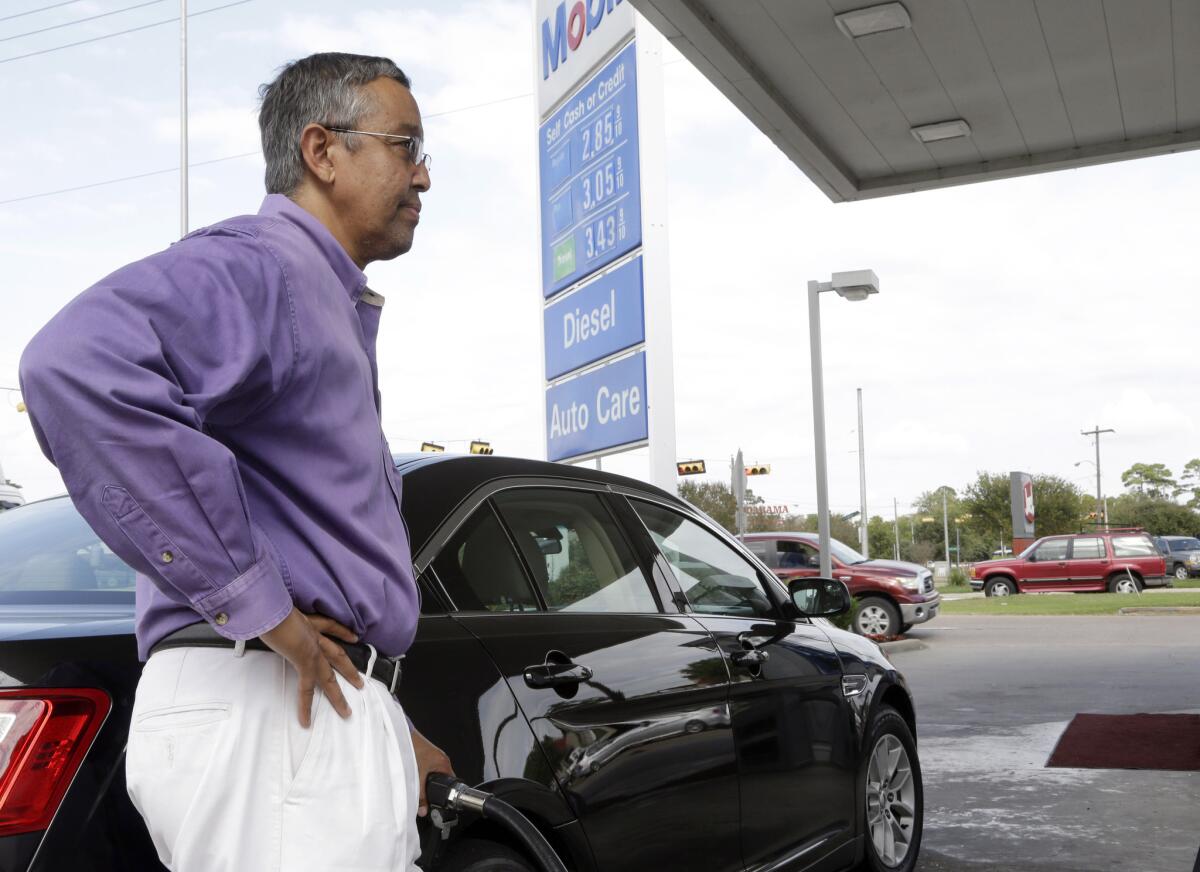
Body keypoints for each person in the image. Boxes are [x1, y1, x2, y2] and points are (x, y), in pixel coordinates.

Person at [19, 52, 451, 872]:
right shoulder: (267, 268)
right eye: (405, 146)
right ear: (322, 152)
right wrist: (264, 609)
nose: (423, 176)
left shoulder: (318, 296)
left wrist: (385, 732)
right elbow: (73, 365)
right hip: (263, 711)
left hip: (298, 715)